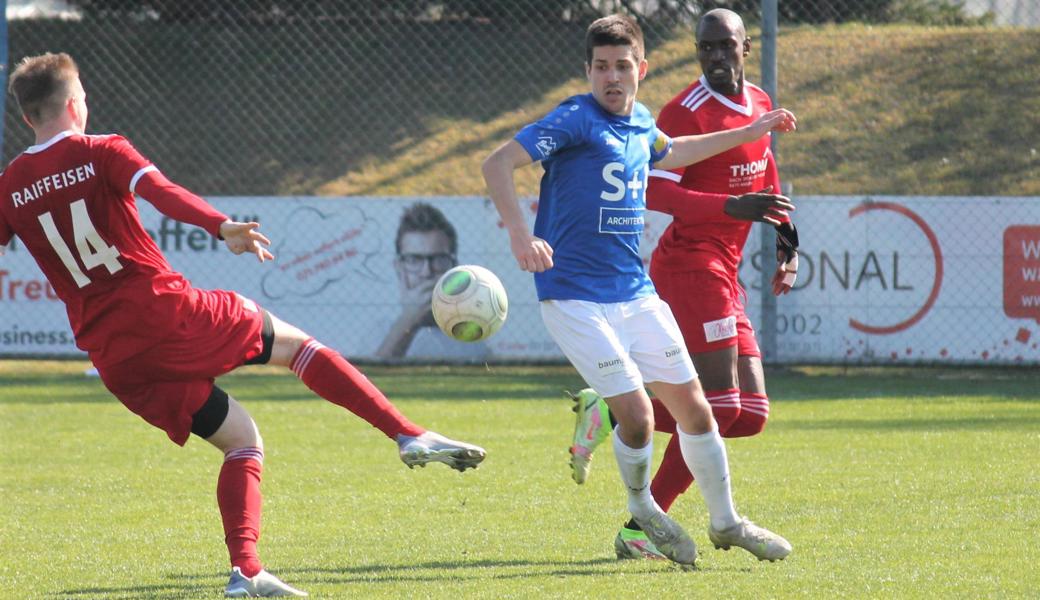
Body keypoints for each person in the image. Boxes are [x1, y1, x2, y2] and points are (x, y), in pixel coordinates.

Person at [0, 53, 486, 598]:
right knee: (298, 346)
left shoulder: (11, 183)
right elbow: (161, 192)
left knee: (243, 441)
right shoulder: (102, 149)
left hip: (113, 358)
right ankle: (408, 433)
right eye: (84, 95)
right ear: (73, 103)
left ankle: (246, 572)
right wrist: (221, 224)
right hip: (166, 315)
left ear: (26, 118)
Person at [481, 14, 794, 567]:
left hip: (635, 293)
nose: (612, 76)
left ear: (641, 70)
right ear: (588, 70)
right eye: (601, 66)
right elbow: (498, 163)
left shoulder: (642, 121)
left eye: (622, 66)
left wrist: (747, 134)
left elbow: (672, 153)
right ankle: (643, 509)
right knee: (640, 416)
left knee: (699, 412)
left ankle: (726, 522)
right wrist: (520, 234)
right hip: (575, 296)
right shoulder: (575, 119)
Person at [567, 8, 801, 561]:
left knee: (750, 415)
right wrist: (728, 205)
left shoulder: (760, 104)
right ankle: (642, 527)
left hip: (728, 268)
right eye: (706, 48)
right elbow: (655, 192)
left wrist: (788, 242)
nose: (716, 57)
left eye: (726, 47)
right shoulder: (683, 112)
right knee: (717, 407)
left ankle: (613, 409)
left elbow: (765, 175)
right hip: (690, 267)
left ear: (746, 47)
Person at [376, 202, 490, 361]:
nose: (426, 272)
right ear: (399, 268)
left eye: (438, 259)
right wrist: (408, 319)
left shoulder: (471, 337)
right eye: (414, 259)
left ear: (454, 267)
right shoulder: (380, 332)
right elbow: (368, 381)